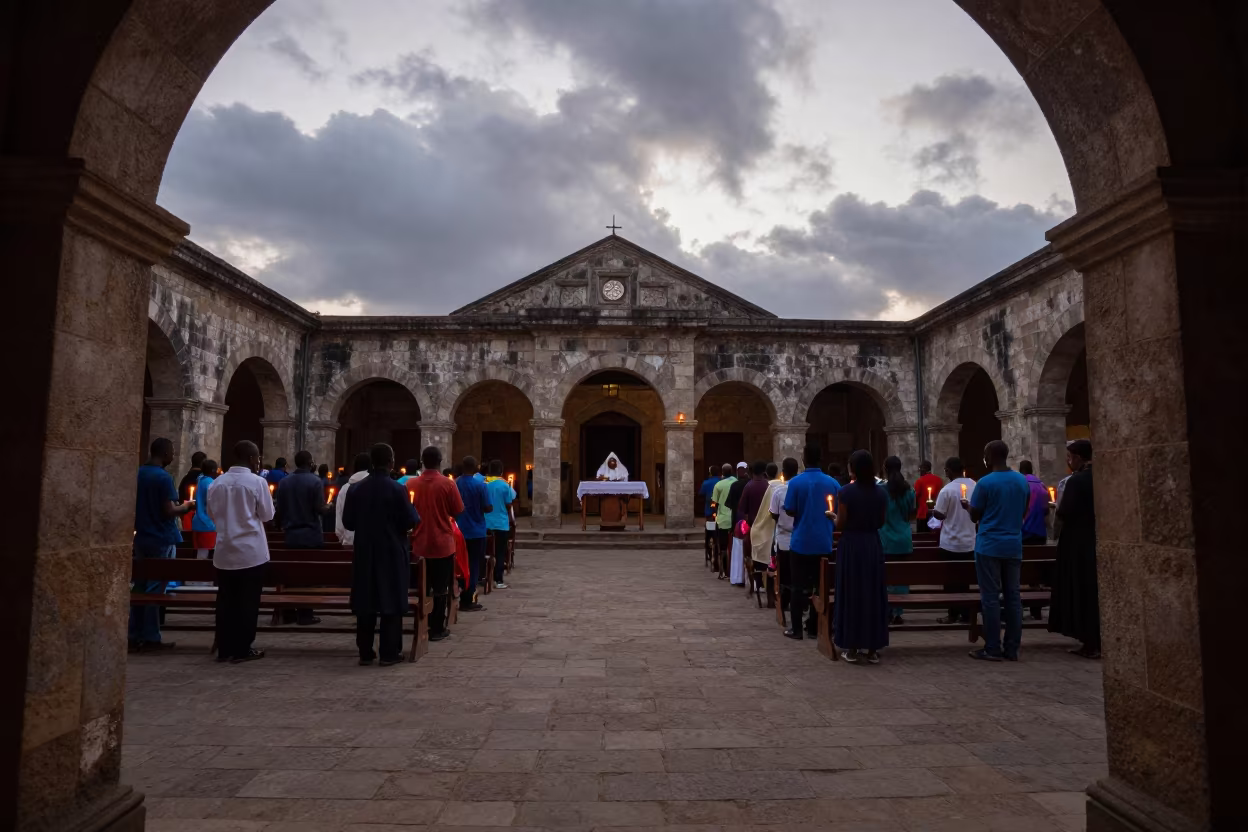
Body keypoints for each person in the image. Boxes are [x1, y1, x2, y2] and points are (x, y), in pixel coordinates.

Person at [342, 442, 421, 666]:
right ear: (390, 462)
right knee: (391, 599)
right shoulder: (397, 489)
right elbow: (410, 520)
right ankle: (389, 652)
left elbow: (348, 522)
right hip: (391, 550)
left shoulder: (356, 488)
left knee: (366, 599)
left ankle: (365, 652)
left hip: (365, 549)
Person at [205, 440, 274, 664]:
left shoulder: (217, 483)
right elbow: (267, 515)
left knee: (225, 601)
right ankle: (242, 647)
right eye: (258, 458)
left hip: (224, 550)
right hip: (251, 551)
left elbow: (211, 513)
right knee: (248, 601)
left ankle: (224, 648)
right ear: (253, 459)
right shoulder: (257, 482)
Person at [964, 440, 1029, 662]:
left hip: (989, 543)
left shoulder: (985, 483)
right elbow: (1024, 509)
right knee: (1013, 597)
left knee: (990, 598)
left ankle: (992, 647)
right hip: (1013, 543)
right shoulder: (1021, 481)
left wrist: (968, 507)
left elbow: (975, 515)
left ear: (989, 457)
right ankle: (1012, 648)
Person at [130, 437, 196, 652]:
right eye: (172, 453)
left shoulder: (138, 473)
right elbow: (169, 510)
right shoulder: (163, 477)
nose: (173, 456)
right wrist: (186, 507)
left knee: (139, 586)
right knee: (155, 588)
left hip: (141, 537)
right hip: (161, 537)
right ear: (166, 454)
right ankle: (150, 637)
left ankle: (133, 633)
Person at [831, 449, 889, 663]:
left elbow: (841, 523)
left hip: (852, 545)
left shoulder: (846, 492)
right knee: (872, 592)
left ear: (853, 468)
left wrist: (833, 517)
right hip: (872, 544)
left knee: (852, 592)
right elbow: (881, 521)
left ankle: (852, 645)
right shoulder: (881, 493)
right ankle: (873, 647)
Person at [1048, 439, 1100, 658]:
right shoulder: (1100, 477)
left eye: (1069, 457)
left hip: (1076, 542)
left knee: (1081, 591)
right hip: (1094, 538)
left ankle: (1089, 640)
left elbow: (1064, 512)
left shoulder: (1076, 481)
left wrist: (1054, 531)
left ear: (1078, 457)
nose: (1068, 461)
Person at [782, 445, 840, 640]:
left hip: (801, 541)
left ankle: (796, 629)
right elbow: (838, 509)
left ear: (804, 460)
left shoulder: (796, 482)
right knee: (820, 586)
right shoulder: (832, 483)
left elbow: (789, 509)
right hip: (824, 540)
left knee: (798, 586)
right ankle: (815, 626)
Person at [409, 446, 465, 641]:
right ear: (440, 461)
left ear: (422, 461)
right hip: (442, 543)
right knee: (441, 588)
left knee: (422, 586)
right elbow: (458, 509)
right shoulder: (447, 484)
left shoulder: (411, 484)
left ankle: (421, 621)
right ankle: (436, 628)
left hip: (419, 543)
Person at [275, 449, 334, 625]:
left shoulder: (284, 482)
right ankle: (305, 613)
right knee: (308, 576)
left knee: (290, 574)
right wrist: (329, 507)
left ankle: (288, 612)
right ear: (310, 463)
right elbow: (319, 509)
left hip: (291, 534)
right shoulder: (314, 481)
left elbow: (279, 509)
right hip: (310, 534)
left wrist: (279, 526)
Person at [931, 458, 977, 624]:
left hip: (950, 541)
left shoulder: (947, 490)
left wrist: (934, 511)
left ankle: (953, 613)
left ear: (949, 470)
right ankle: (965, 613)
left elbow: (940, 513)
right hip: (970, 540)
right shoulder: (975, 485)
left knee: (951, 581)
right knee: (965, 580)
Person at [879, 455, 916, 625]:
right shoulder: (909, 490)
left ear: (885, 468)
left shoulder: (881, 490)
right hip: (903, 538)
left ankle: (886, 609)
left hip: (885, 537)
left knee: (885, 576)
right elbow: (912, 514)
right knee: (902, 576)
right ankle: (899, 610)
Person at [455, 456, 492, 612]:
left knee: (460, 564)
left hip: (458, 530)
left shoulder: (455, 484)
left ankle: (460, 591)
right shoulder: (480, 486)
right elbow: (488, 507)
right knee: (474, 564)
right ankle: (468, 599)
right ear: (475, 467)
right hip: (476, 530)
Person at [768, 458, 800, 616]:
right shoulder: (803, 487)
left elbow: (773, 513)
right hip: (801, 536)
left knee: (786, 574)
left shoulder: (779, 491)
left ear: (783, 472)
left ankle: (786, 602)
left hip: (785, 537)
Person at [737, 461, 772, 591]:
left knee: (755, 555)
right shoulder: (769, 486)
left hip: (754, 527)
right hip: (769, 527)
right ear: (764, 472)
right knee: (768, 555)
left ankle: (758, 583)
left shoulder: (749, 487)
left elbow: (742, 509)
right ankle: (768, 582)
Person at [484, 459, 516, 589]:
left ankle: (484, 576)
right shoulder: (504, 485)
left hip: (486, 522)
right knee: (500, 552)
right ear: (501, 471)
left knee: (486, 550)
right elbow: (509, 503)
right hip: (501, 523)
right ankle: (498, 580)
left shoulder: (484, 484)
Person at [748, 462, 783, 582]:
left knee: (758, 534)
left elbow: (767, 510)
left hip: (773, 527)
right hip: (782, 528)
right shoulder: (782, 486)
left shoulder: (770, 487)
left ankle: (760, 581)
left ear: (766, 474)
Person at [335, 453, 372, 545]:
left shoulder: (344, 488)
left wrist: (343, 537)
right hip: (370, 542)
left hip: (349, 540)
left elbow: (339, 515)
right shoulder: (375, 486)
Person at [723, 462, 750, 586]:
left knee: (738, 550)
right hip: (750, 521)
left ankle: (738, 577)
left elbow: (728, 503)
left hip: (738, 521)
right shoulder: (750, 484)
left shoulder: (735, 485)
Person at [710, 463, 735, 578]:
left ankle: (722, 570)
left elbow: (714, 502)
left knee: (722, 546)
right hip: (735, 519)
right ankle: (733, 571)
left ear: (723, 473)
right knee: (734, 546)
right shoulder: (736, 482)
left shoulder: (718, 485)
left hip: (723, 519)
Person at [191, 458, 218, 562]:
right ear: (213, 470)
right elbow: (213, 503)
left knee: (200, 553)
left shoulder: (200, 479)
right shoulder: (210, 482)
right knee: (204, 555)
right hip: (207, 523)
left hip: (198, 521)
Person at [177, 450, 207, 532]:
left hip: (186, 515)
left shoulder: (185, 479)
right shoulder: (204, 480)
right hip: (200, 519)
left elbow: (181, 498)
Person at [913, 460, 944, 534]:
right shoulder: (939, 480)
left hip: (923, 513)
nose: (919, 471)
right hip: (937, 512)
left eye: (920, 469)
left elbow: (915, 497)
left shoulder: (919, 481)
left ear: (924, 468)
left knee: (923, 538)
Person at [699, 465, 721, 563]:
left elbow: (701, 493)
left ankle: (708, 550)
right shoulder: (721, 482)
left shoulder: (706, 483)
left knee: (709, 533)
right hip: (720, 512)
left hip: (709, 512)